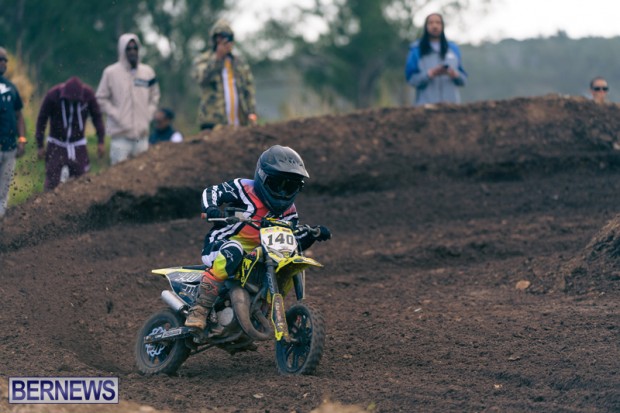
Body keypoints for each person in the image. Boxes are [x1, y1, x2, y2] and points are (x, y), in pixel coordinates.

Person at [185, 145, 331, 329]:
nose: (283, 192)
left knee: (289, 261)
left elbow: (292, 239)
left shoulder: (289, 212)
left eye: (290, 186)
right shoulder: (244, 188)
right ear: (262, 177)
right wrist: (212, 208)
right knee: (234, 250)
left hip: (262, 252)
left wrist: (312, 234)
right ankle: (200, 308)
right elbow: (212, 192)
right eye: (277, 184)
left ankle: (262, 310)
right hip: (224, 243)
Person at [96, 33, 160, 165]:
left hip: (141, 137)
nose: (132, 51)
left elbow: (155, 95)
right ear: (122, 50)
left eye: (135, 48)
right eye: (128, 48)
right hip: (120, 137)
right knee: (119, 174)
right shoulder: (111, 72)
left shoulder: (148, 72)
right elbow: (101, 98)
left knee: (143, 173)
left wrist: (148, 114)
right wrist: (116, 114)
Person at [35, 76, 105, 191]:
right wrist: (40, 145)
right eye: (70, 100)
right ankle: (49, 201)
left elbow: (97, 117)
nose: (72, 101)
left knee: (82, 180)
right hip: (56, 143)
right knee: (52, 180)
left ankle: (79, 201)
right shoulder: (53, 95)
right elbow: (42, 119)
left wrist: (101, 141)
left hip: (78, 143)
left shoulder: (88, 95)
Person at [192, 19, 257, 131]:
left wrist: (251, 112)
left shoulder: (239, 63)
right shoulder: (203, 60)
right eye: (219, 39)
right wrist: (217, 58)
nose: (223, 42)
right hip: (212, 121)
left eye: (227, 39)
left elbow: (248, 88)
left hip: (239, 121)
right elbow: (202, 79)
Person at [405, 13, 467, 105]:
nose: (435, 26)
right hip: (425, 107)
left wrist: (455, 74)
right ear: (426, 26)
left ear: (442, 26)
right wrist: (429, 74)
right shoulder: (417, 50)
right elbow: (411, 79)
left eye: (438, 23)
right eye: (431, 23)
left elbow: (463, 80)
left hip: (451, 107)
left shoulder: (453, 49)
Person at [0, 47, 26, 218]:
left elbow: (19, 116)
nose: (4, 63)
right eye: (0, 59)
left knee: (4, 190)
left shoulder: (11, 87)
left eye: (5, 60)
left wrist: (22, 139)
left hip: (9, 147)